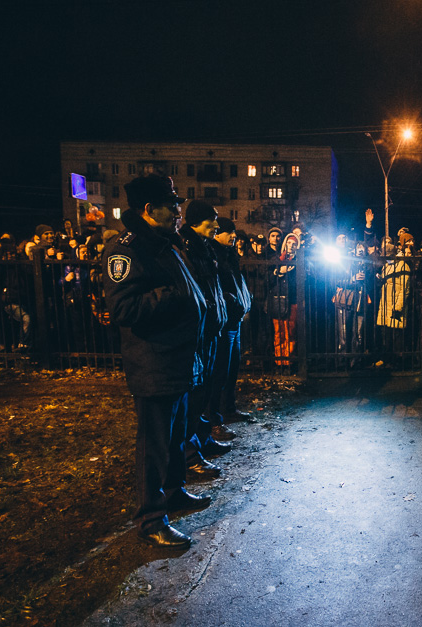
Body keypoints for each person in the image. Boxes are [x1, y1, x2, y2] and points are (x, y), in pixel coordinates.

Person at [102, 174, 210, 549]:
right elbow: (124, 308)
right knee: (154, 444)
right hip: (154, 362)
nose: (179, 212)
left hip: (177, 359)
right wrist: (173, 295)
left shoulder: (165, 244)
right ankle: (151, 518)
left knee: (176, 436)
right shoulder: (128, 250)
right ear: (149, 209)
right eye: (172, 206)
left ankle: (174, 492)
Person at [178, 199, 229, 478]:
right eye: (213, 219)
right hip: (199, 332)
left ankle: (203, 439)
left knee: (206, 389)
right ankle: (190, 454)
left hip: (210, 328)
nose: (217, 225)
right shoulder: (186, 248)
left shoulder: (204, 246)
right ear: (198, 222)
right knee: (195, 394)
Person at [209, 217, 253, 424]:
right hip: (225, 321)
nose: (234, 236)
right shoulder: (214, 255)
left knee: (232, 367)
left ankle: (228, 408)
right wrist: (231, 301)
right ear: (218, 234)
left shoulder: (229, 254)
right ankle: (216, 415)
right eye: (229, 232)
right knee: (221, 370)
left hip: (234, 319)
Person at [271, 232, 300, 368]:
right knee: (279, 332)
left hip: (293, 299)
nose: (291, 245)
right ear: (285, 244)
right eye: (289, 242)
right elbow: (268, 279)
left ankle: (288, 361)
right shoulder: (277, 258)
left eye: (294, 244)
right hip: (278, 299)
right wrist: (279, 272)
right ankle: (279, 361)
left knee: (291, 332)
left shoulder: (299, 260)